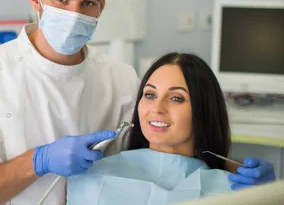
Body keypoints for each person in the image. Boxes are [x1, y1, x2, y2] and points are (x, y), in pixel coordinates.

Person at [0, 0, 275, 204]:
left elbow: (166, 159)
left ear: (102, 5)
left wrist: (242, 178)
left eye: (88, 3)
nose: (74, 13)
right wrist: (39, 161)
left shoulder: (121, 81)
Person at [66, 53, 272, 203]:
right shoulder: (92, 176)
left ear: (204, 110)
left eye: (176, 98)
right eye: (149, 95)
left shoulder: (233, 191)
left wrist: (271, 196)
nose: (157, 108)